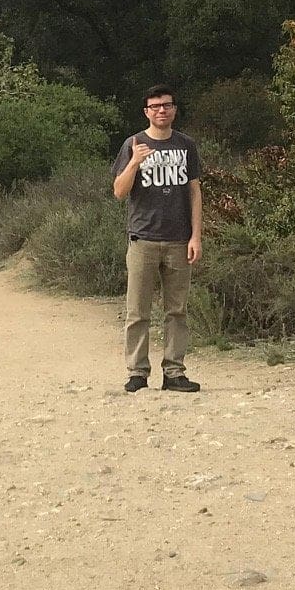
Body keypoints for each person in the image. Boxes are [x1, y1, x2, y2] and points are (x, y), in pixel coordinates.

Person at [111, 83, 203, 393]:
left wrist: (196, 236)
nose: (161, 110)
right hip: (143, 239)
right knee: (138, 311)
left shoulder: (186, 145)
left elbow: (194, 191)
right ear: (146, 112)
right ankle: (137, 373)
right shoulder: (133, 143)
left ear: (175, 109)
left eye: (166, 105)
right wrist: (136, 161)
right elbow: (119, 192)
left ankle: (174, 373)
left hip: (179, 240)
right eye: (155, 106)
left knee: (176, 310)